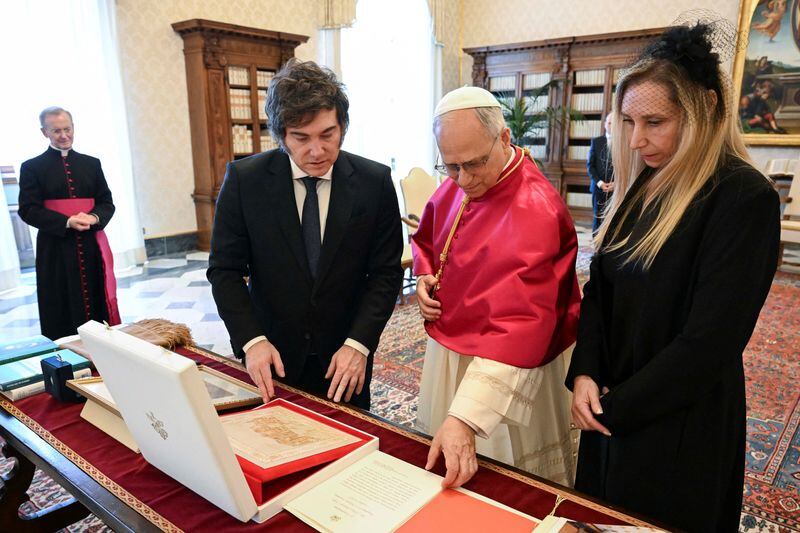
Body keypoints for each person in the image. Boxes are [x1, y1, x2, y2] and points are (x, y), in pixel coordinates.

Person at [566, 22, 780, 532]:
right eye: (629, 122)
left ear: (705, 107)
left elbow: (708, 343)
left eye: (655, 122)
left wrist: (617, 409)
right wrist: (586, 373)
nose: (637, 141)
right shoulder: (646, 183)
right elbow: (601, 289)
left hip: (677, 420)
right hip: (610, 405)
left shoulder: (743, 198)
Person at [207, 60, 403, 409]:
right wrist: (252, 341)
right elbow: (225, 271)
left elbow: (385, 275)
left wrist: (359, 345)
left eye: (328, 134)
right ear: (281, 134)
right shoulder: (244, 181)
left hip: (346, 360)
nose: (317, 151)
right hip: (273, 355)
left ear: (343, 126)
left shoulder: (374, 183)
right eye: (301, 138)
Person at [412, 86, 581, 489]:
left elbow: (522, 323)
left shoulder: (535, 207)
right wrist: (423, 276)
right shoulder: (459, 178)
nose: (463, 180)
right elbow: (427, 240)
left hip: (506, 363)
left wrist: (468, 415)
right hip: (453, 344)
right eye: (450, 167)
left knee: (507, 476)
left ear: (504, 138)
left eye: (473, 164)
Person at [19, 107, 119, 340]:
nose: (64, 135)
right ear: (45, 132)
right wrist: (66, 222)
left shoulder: (91, 164)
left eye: (67, 129)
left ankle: (102, 346)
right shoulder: (32, 167)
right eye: (56, 131)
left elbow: (106, 202)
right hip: (55, 247)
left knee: (96, 297)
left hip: (90, 242)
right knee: (60, 299)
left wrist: (94, 217)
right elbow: (28, 209)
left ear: (73, 128)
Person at [587, 114, 615, 233]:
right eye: (609, 123)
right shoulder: (596, 141)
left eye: (614, 123)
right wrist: (599, 183)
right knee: (597, 219)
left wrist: (617, 183)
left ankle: (608, 249)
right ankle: (597, 248)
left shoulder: (624, 142)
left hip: (616, 188)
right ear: (604, 124)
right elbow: (590, 166)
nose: (611, 125)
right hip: (598, 188)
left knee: (612, 220)